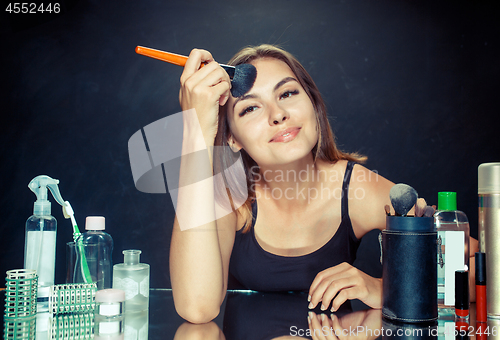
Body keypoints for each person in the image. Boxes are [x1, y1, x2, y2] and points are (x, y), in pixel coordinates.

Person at [169, 44, 478, 324]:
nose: (278, 115)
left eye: (287, 93)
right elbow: (197, 308)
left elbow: (477, 269)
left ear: (313, 104)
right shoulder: (228, 193)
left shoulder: (355, 187)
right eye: (250, 108)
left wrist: (385, 288)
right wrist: (195, 133)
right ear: (232, 138)